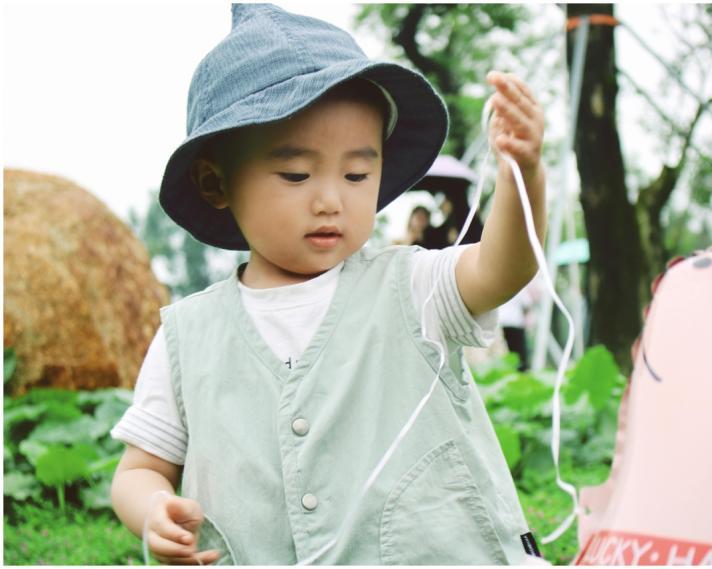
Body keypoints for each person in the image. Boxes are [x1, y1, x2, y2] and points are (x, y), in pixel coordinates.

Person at [109, 4, 547, 565]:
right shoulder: (187, 337)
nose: (330, 199)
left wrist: (522, 173)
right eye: (296, 174)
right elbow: (141, 470)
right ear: (215, 181)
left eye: (357, 174)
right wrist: (152, 511)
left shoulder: (411, 285)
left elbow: (503, 268)